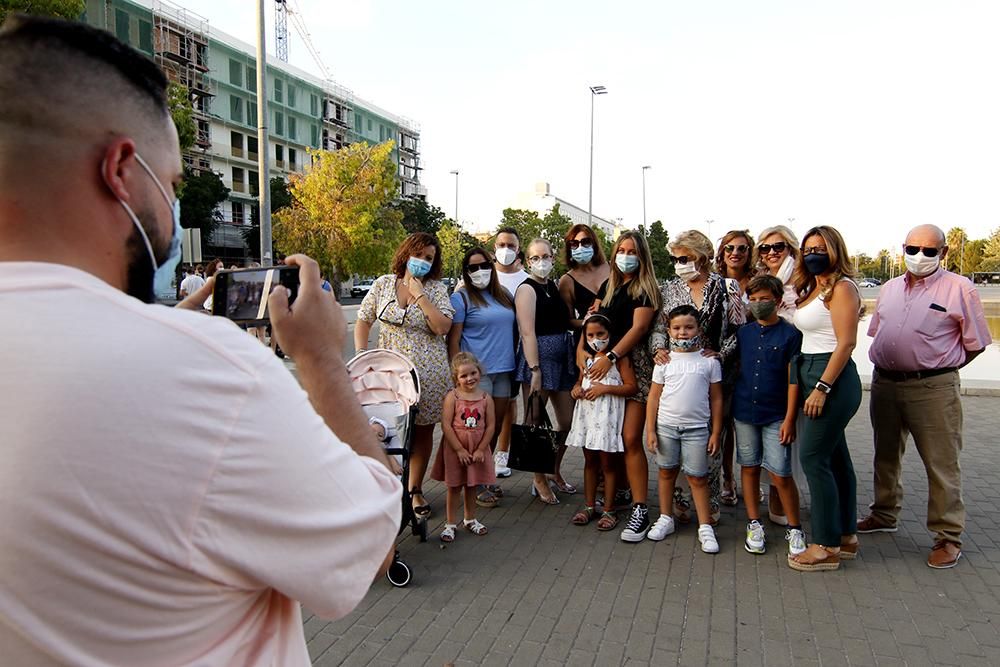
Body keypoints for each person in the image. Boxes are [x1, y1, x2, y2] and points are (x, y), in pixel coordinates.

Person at [0, 16, 400, 665]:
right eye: (176, 184)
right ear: (122, 169)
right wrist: (324, 359)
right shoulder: (213, 375)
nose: (173, 207)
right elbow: (367, 548)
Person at [858, 224, 991, 569]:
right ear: (902, 249)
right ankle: (884, 513)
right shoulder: (888, 289)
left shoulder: (960, 289)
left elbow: (975, 343)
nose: (920, 257)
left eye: (930, 251)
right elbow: (878, 332)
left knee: (941, 463)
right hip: (885, 384)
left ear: (943, 253)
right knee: (885, 455)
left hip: (932, 388)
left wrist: (940, 365)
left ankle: (948, 536)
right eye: (913, 249)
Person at [355, 232, 455, 519]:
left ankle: (414, 490)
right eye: (419, 254)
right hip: (388, 374)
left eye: (429, 258)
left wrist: (420, 294)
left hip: (427, 373)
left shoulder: (435, 289)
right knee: (388, 429)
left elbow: (442, 327)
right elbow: (363, 320)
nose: (422, 261)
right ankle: (387, 487)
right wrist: (362, 352)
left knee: (422, 430)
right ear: (406, 253)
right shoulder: (383, 284)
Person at [651, 230, 741, 525]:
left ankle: (709, 502)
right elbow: (658, 329)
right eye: (674, 258)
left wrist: (720, 355)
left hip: (716, 376)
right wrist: (659, 350)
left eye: (683, 258)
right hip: (677, 375)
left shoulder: (727, 287)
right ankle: (678, 503)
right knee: (673, 448)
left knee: (710, 443)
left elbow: (739, 330)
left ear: (701, 257)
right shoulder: (669, 289)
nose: (678, 263)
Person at [787, 226, 863, 572]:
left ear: (835, 250)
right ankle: (845, 536)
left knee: (814, 459)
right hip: (813, 370)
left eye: (820, 248)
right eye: (808, 248)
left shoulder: (843, 288)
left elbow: (846, 343)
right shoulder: (817, 287)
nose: (813, 253)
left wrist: (822, 387)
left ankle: (825, 544)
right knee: (836, 460)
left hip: (830, 377)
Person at [585, 231, 660, 542]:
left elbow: (640, 327)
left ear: (641, 255)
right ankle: (618, 496)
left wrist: (613, 355)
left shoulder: (646, 289)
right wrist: (582, 352)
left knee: (630, 438)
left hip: (634, 369)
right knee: (610, 437)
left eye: (632, 251)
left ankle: (641, 508)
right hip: (605, 369)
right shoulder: (610, 286)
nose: (625, 255)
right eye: (621, 250)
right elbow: (594, 318)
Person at [732, 275, 806, 556]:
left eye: (765, 299)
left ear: (778, 301)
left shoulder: (790, 335)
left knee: (780, 473)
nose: (759, 304)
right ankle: (754, 522)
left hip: (776, 414)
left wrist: (789, 419)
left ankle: (796, 527)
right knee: (749, 467)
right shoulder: (744, 333)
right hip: (744, 411)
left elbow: (793, 380)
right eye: (753, 298)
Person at [645, 305, 724, 553]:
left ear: (698, 329)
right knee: (666, 472)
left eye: (689, 327)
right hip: (666, 428)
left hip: (697, 430)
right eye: (676, 328)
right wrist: (650, 430)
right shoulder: (664, 362)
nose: (682, 333)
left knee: (697, 477)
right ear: (668, 330)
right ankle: (666, 518)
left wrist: (715, 432)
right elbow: (653, 398)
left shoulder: (709, 362)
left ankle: (705, 526)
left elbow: (717, 399)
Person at [448, 247, 516, 508]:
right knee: (475, 430)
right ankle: (475, 483)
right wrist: (458, 376)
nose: (479, 272)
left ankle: (484, 476)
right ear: (466, 272)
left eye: (483, 265)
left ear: (492, 265)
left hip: (504, 372)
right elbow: (453, 340)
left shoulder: (504, 295)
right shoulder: (461, 298)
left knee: (494, 427)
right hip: (477, 376)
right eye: (472, 268)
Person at [514, 237, 576, 504]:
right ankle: (538, 477)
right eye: (535, 258)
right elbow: (527, 332)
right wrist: (535, 369)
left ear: (553, 257)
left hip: (563, 360)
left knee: (568, 422)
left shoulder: (552, 285)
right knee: (535, 421)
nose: (542, 262)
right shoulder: (526, 289)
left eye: (546, 256)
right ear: (528, 261)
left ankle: (553, 468)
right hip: (539, 362)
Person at [566, 314, 637, 530]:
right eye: (590, 335)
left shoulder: (619, 359)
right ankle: (589, 506)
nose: (595, 338)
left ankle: (609, 509)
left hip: (607, 418)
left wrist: (605, 389)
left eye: (600, 334)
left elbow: (631, 387)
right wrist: (576, 390)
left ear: (609, 334)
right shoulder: (586, 359)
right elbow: (579, 382)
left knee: (608, 464)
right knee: (590, 462)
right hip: (588, 417)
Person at [753, 224, 803, 526]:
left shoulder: (804, 282)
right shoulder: (762, 283)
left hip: (797, 367)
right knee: (769, 440)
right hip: (765, 371)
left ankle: (786, 504)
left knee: (790, 440)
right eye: (765, 248)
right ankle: (773, 501)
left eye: (778, 247)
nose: (771, 252)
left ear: (791, 248)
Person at [430, 352, 495, 542]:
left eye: (473, 373)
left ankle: (470, 519)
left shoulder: (485, 398)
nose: (469, 378)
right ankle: (450, 523)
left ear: (479, 372)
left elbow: (491, 425)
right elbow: (446, 425)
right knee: (454, 486)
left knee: (472, 484)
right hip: (455, 449)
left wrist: (482, 448)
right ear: (456, 378)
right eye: (464, 376)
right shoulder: (453, 397)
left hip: (476, 448)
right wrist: (459, 449)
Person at [714, 229, 755, 508]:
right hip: (724, 362)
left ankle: (753, 480)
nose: (735, 253)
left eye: (741, 248)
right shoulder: (716, 282)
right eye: (729, 248)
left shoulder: (758, 282)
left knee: (750, 426)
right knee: (724, 424)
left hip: (753, 360)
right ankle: (727, 479)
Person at [490, 227, 529, 479]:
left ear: (518, 249)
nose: (506, 249)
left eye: (511, 245)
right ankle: (484, 453)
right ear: (494, 248)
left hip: (516, 350)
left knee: (509, 403)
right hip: (488, 350)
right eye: (501, 244)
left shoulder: (526, 279)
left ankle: (503, 452)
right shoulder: (482, 275)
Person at [559, 223, 611, 335]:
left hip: (620, 336)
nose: (580, 248)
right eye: (574, 244)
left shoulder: (612, 268)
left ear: (594, 244)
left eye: (586, 242)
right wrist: (587, 322)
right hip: (589, 340)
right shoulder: (567, 281)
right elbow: (568, 321)